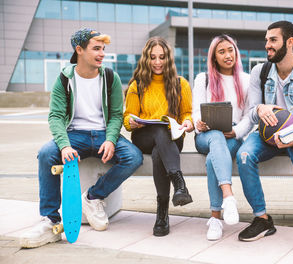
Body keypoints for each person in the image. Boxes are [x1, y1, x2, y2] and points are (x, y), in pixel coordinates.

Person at [20, 28, 143, 248]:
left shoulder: (110, 77)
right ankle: (50, 219)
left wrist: (111, 139)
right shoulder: (63, 80)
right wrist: (64, 145)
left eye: (103, 49)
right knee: (47, 154)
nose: (102, 54)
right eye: (96, 48)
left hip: (104, 134)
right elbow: (56, 117)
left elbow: (116, 115)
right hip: (75, 135)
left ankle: (93, 196)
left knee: (133, 156)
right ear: (79, 50)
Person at [236, 21, 293, 255]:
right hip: (266, 135)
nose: (267, 45)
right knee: (244, 155)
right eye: (266, 40)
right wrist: (259, 110)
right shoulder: (260, 71)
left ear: (290, 42)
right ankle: (263, 219)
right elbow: (251, 110)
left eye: (273, 40)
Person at [123, 36, 194, 237]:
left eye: (161, 57)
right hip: (143, 136)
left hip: (172, 138)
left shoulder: (181, 84)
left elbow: (186, 113)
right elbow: (127, 118)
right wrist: (132, 122)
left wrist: (188, 122)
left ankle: (162, 213)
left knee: (159, 151)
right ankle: (179, 184)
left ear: (168, 59)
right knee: (159, 130)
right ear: (146, 59)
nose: (157, 62)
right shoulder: (137, 85)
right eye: (152, 57)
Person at [192, 35, 252, 241]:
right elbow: (195, 112)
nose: (228, 55)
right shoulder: (203, 79)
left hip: (233, 135)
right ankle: (229, 197)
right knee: (215, 136)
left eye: (231, 50)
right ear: (214, 57)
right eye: (222, 51)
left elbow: (249, 117)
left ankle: (216, 218)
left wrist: (236, 132)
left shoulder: (246, 80)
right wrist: (198, 123)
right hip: (206, 136)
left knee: (212, 160)